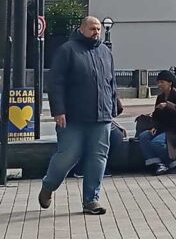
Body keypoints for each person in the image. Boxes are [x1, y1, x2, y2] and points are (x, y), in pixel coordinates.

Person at [38, 17, 118, 216]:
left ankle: (91, 200)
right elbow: (55, 82)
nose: (96, 32)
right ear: (82, 29)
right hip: (72, 117)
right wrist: (58, 110)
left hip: (101, 117)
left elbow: (111, 82)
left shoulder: (105, 52)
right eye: (92, 28)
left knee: (98, 158)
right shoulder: (67, 50)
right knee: (67, 156)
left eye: (98, 29)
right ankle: (48, 186)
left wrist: (113, 108)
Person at [138, 70, 176, 175]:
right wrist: (154, 126)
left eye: (162, 82)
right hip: (163, 128)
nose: (159, 85)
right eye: (158, 82)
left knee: (157, 143)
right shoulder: (160, 97)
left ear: (170, 83)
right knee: (144, 137)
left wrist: (168, 105)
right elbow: (156, 116)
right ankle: (159, 164)